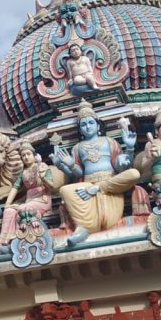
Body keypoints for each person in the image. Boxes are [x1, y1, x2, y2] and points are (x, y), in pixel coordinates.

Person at [52, 100, 140, 245]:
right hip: (87, 186)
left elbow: (122, 167)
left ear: (97, 124)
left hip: (110, 185)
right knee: (65, 190)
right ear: (80, 129)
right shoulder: (77, 147)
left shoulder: (109, 141)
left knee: (134, 174)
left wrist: (130, 149)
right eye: (83, 124)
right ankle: (83, 228)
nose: (87, 127)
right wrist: (67, 165)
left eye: (91, 123)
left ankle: (99, 188)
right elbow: (78, 173)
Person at [0, 142, 53, 254]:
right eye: (23, 156)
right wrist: (8, 203)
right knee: (9, 211)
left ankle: (17, 238)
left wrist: (43, 177)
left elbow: (52, 186)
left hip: (42, 200)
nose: (26, 157)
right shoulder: (24, 172)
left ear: (34, 155)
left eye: (28, 154)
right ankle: (3, 240)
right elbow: (15, 188)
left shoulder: (42, 166)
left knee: (23, 208)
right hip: (29, 201)